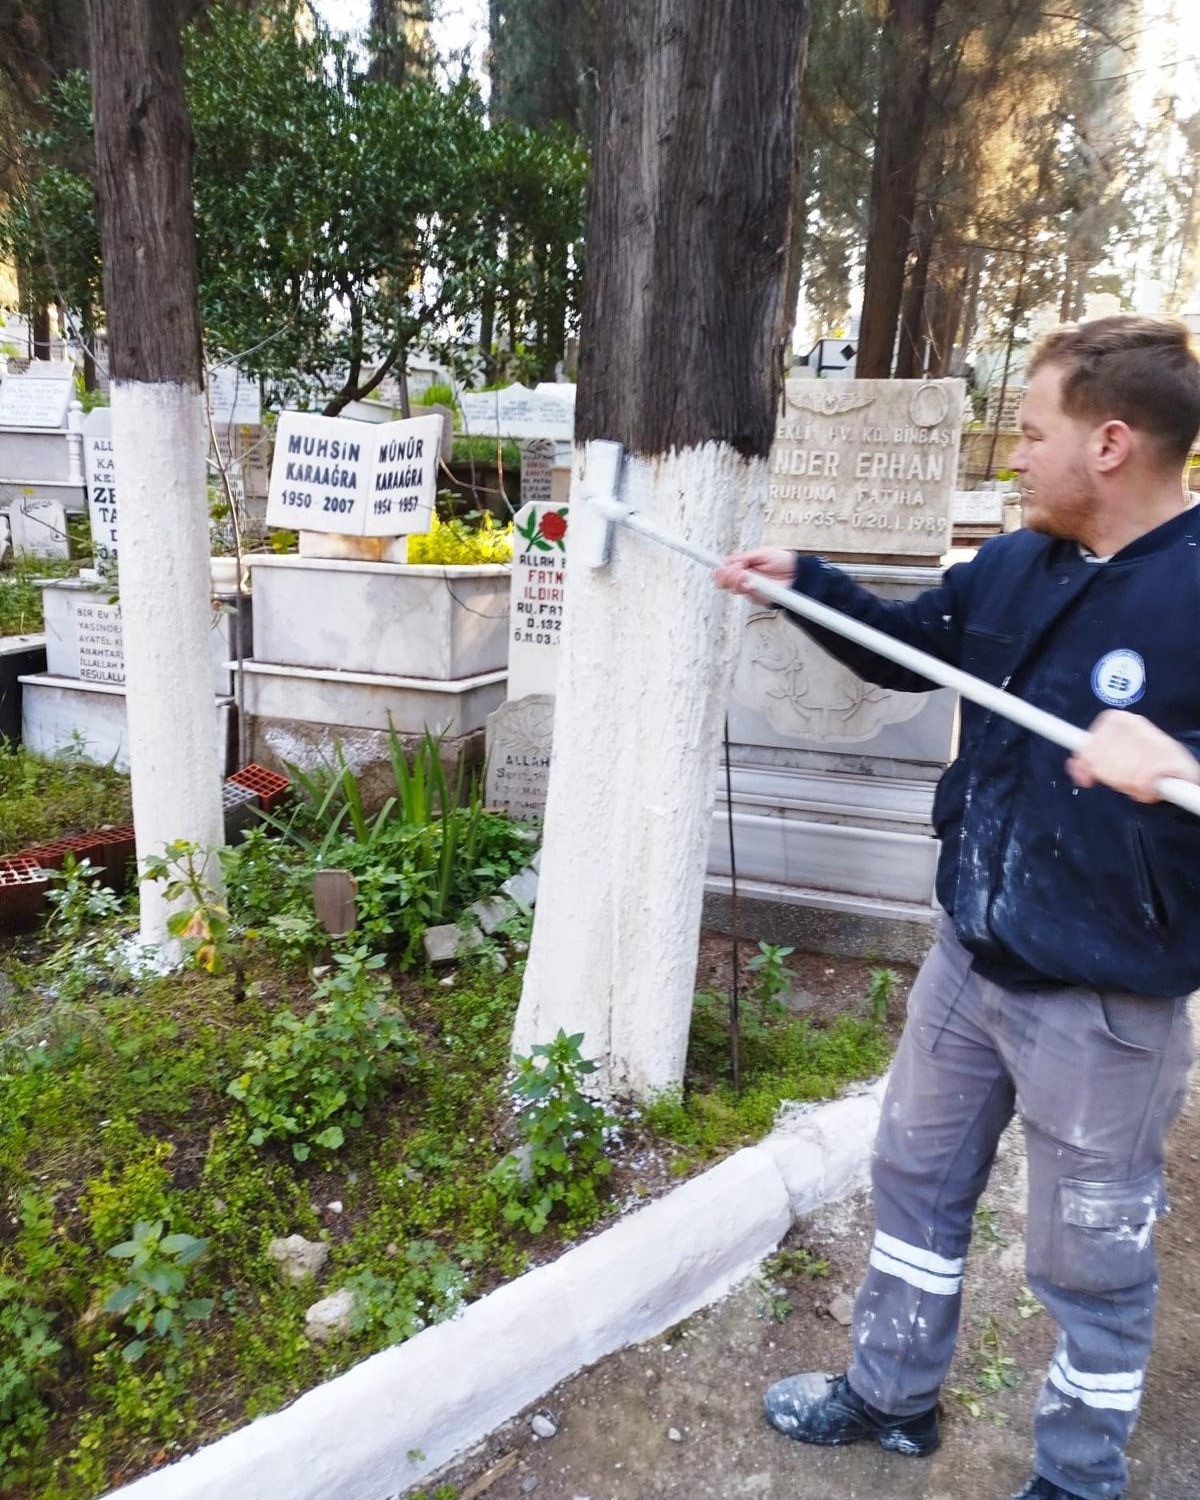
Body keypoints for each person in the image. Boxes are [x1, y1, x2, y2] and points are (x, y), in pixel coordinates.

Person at [714, 316, 1200, 1500]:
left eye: (1032, 435)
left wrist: (1180, 760)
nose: (1014, 457)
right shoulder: (1021, 562)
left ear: (1113, 443)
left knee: (1089, 1259)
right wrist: (810, 588)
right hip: (968, 960)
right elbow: (913, 650)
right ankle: (889, 1396)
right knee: (915, 1186)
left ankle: (1078, 1477)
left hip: (1106, 1003)